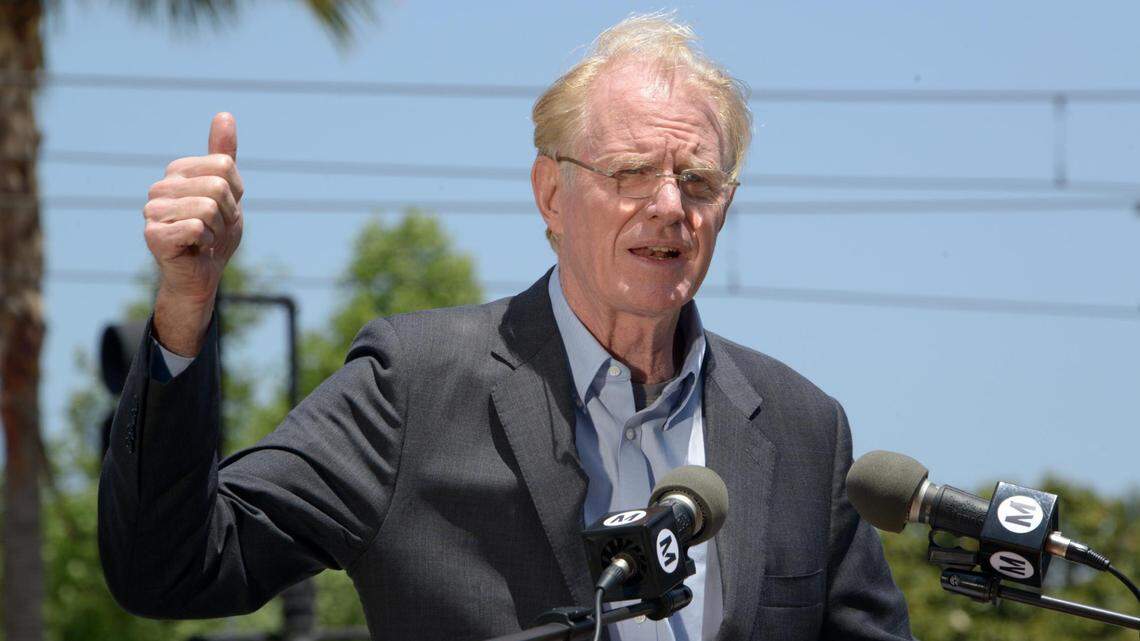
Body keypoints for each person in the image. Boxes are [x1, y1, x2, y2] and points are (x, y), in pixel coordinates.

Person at [99, 14, 914, 641]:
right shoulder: (414, 388)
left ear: (724, 204)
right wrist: (186, 304)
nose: (670, 206)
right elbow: (172, 568)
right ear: (552, 195)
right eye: (632, 172)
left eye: (697, 179)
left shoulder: (803, 428)